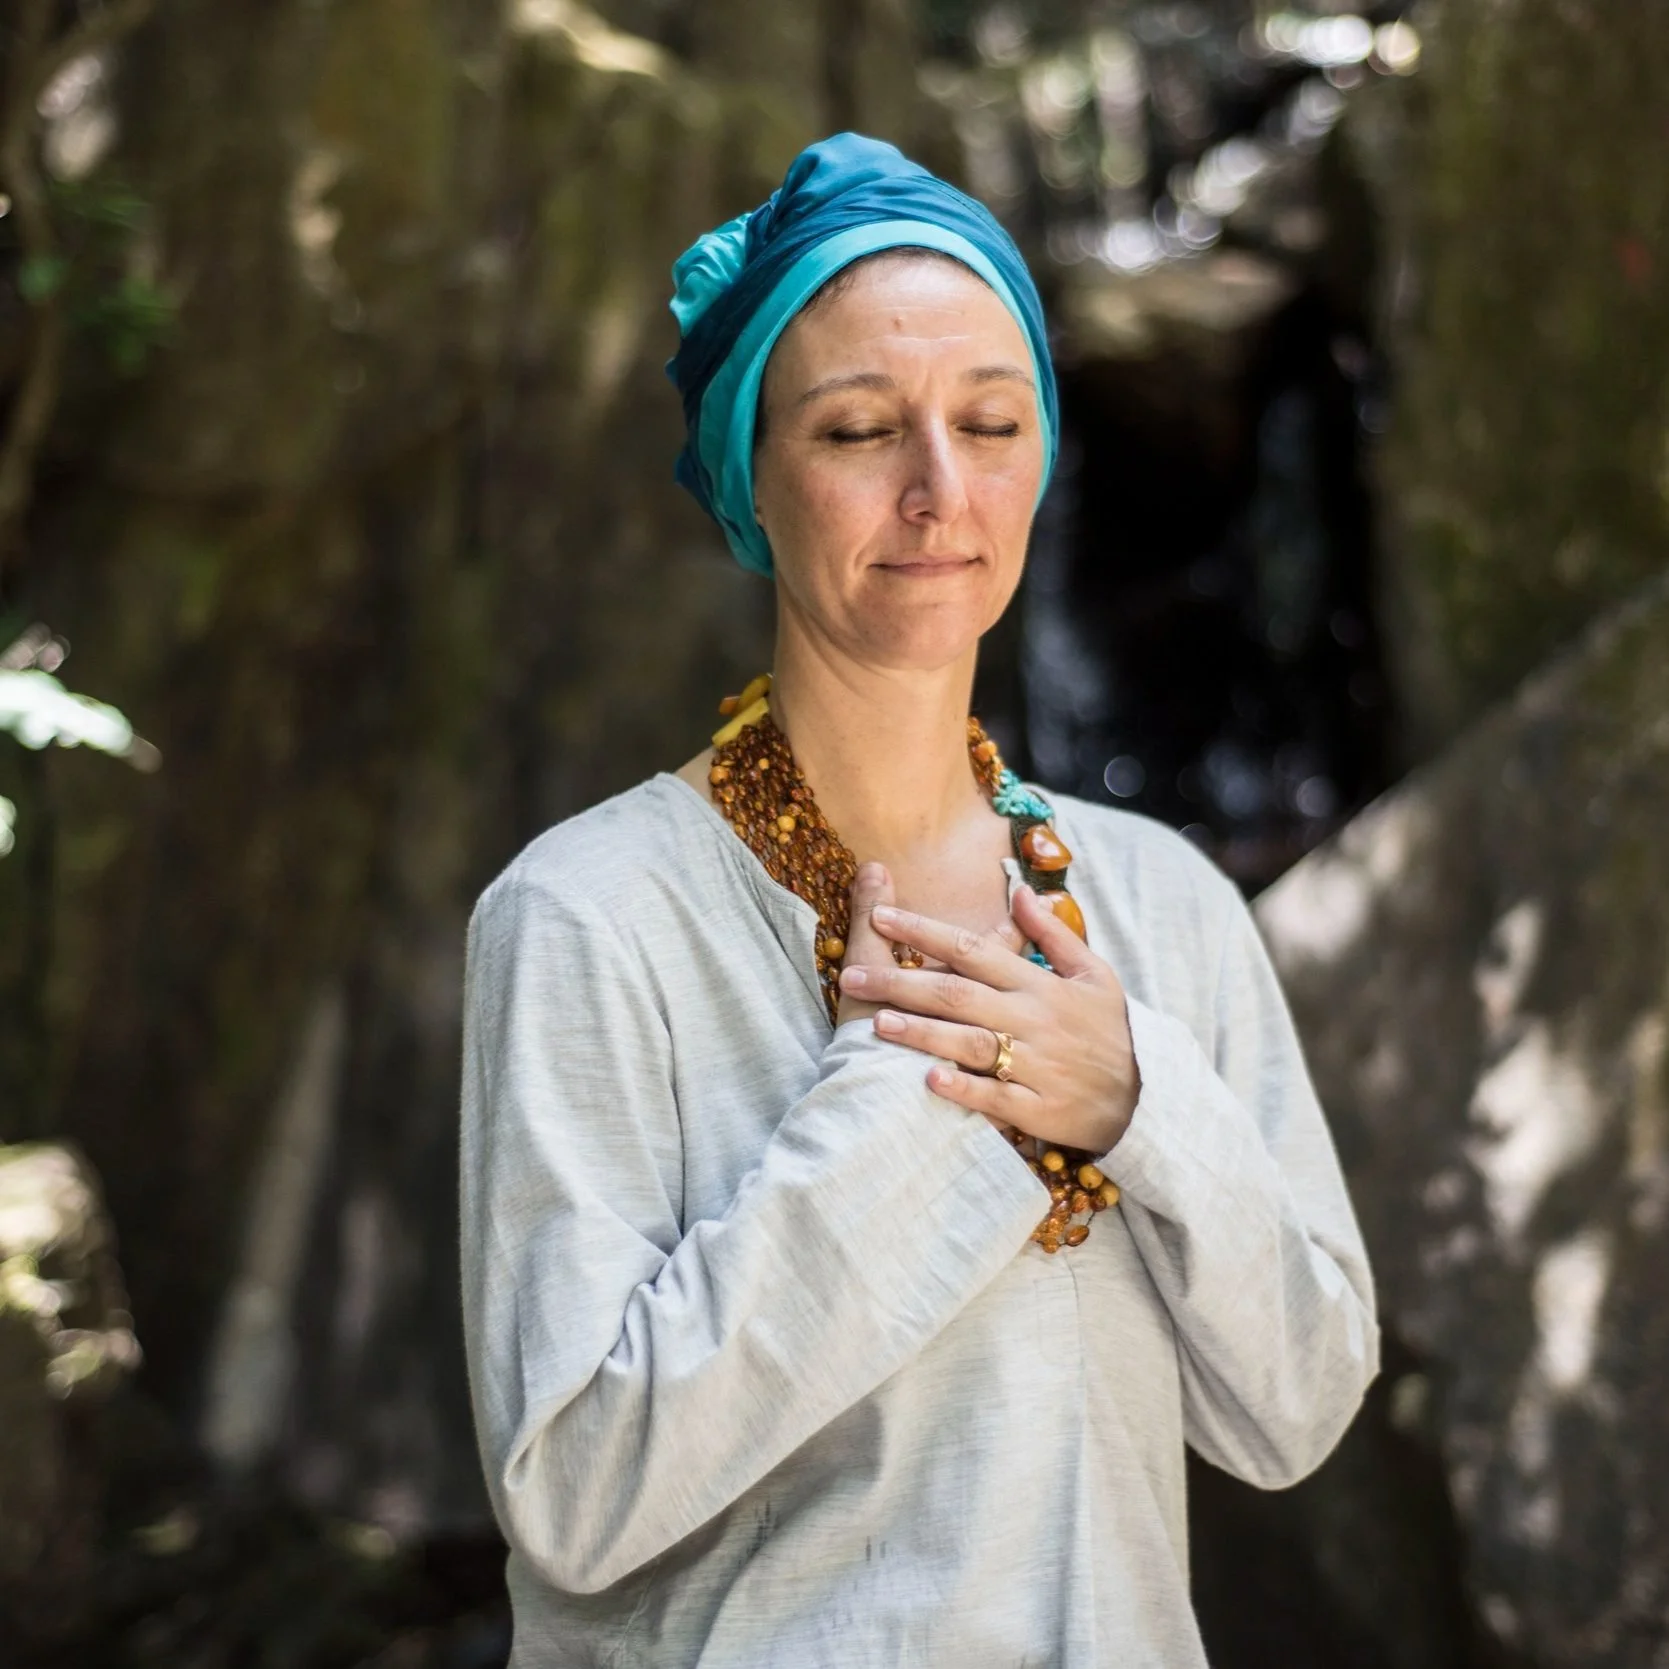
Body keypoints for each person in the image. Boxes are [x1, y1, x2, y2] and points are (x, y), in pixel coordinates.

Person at [459, 132, 1378, 1668]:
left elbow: (1298, 1408)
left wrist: (1138, 1100)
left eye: (992, 423)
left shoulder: (1164, 901)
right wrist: (923, 1094)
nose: (940, 491)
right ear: (752, 471)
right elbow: (575, 1492)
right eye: (859, 429)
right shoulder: (587, 919)